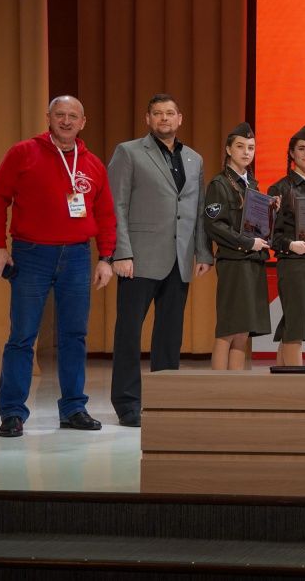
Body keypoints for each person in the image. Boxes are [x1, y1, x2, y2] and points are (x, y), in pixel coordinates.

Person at [0, 96, 115, 438]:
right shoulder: (23, 153)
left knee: (74, 335)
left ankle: (73, 407)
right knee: (22, 336)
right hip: (31, 255)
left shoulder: (92, 164)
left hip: (76, 255)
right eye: (60, 114)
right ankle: (13, 413)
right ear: (48, 117)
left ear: (83, 122)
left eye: (73, 115)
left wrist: (105, 257)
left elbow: (104, 214)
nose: (66, 120)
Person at [107, 94, 213, 428]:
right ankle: (127, 403)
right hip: (138, 259)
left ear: (180, 118)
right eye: (157, 113)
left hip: (179, 259)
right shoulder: (129, 152)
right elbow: (116, 206)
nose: (164, 118)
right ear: (147, 119)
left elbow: (197, 211)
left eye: (170, 113)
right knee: (128, 333)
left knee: (170, 335)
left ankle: (164, 398)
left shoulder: (194, 159)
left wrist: (203, 252)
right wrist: (121, 252)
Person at [203, 122, 272, 370]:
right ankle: (218, 393)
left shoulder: (251, 184)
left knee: (243, 331)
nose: (246, 152)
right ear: (228, 150)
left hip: (252, 262)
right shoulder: (219, 184)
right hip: (234, 262)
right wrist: (248, 242)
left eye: (251, 148)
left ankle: (234, 390)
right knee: (228, 329)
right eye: (240, 147)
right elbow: (215, 226)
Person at [268, 125, 305, 367]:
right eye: (302, 148)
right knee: (295, 325)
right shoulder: (280, 189)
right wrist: (291, 245)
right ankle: (296, 385)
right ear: (291, 154)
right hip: (293, 264)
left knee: (298, 325)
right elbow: (269, 233)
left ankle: (283, 384)